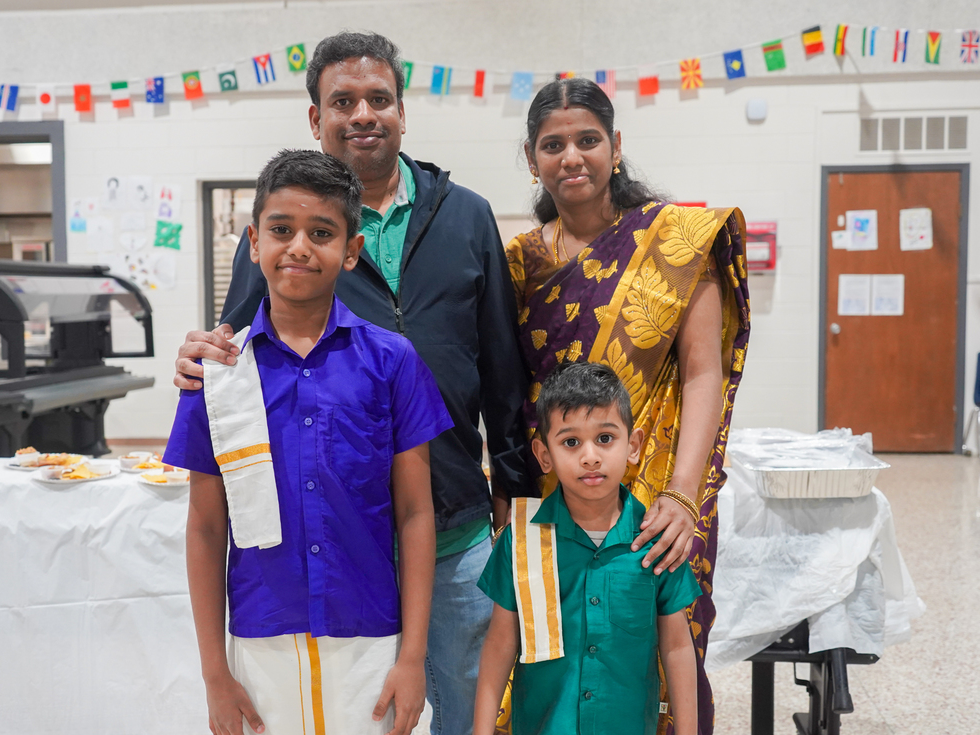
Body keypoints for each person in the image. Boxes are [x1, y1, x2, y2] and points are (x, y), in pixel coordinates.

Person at [173, 32, 531, 735]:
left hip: (448, 517)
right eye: (343, 101)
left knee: (460, 704)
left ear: (403, 111)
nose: (362, 113)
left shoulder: (466, 216)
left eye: (378, 99)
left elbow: (502, 364)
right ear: (316, 118)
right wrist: (195, 354)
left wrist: (510, 487)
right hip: (329, 535)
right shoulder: (292, 227)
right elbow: (235, 347)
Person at [165, 149, 453, 735]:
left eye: (321, 232)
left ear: (351, 251)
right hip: (260, 637)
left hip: (369, 636)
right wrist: (214, 673)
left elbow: (416, 511)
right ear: (253, 242)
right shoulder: (219, 371)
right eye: (281, 229)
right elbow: (204, 526)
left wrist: (412, 657)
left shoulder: (392, 362)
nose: (299, 246)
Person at [504, 77, 750, 734]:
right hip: (555, 495)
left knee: (658, 653)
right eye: (553, 144)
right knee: (554, 663)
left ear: (615, 146)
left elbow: (704, 373)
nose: (572, 156)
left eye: (588, 139)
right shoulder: (519, 264)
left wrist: (682, 495)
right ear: (532, 158)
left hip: (653, 493)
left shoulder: (678, 241)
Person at [474, 361, 701, 735]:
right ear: (544, 455)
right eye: (571, 442)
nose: (590, 456)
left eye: (606, 438)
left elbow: (676, 646)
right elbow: (500, 643)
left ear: (634, 446)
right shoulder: (522, 540)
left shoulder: (657, 539)